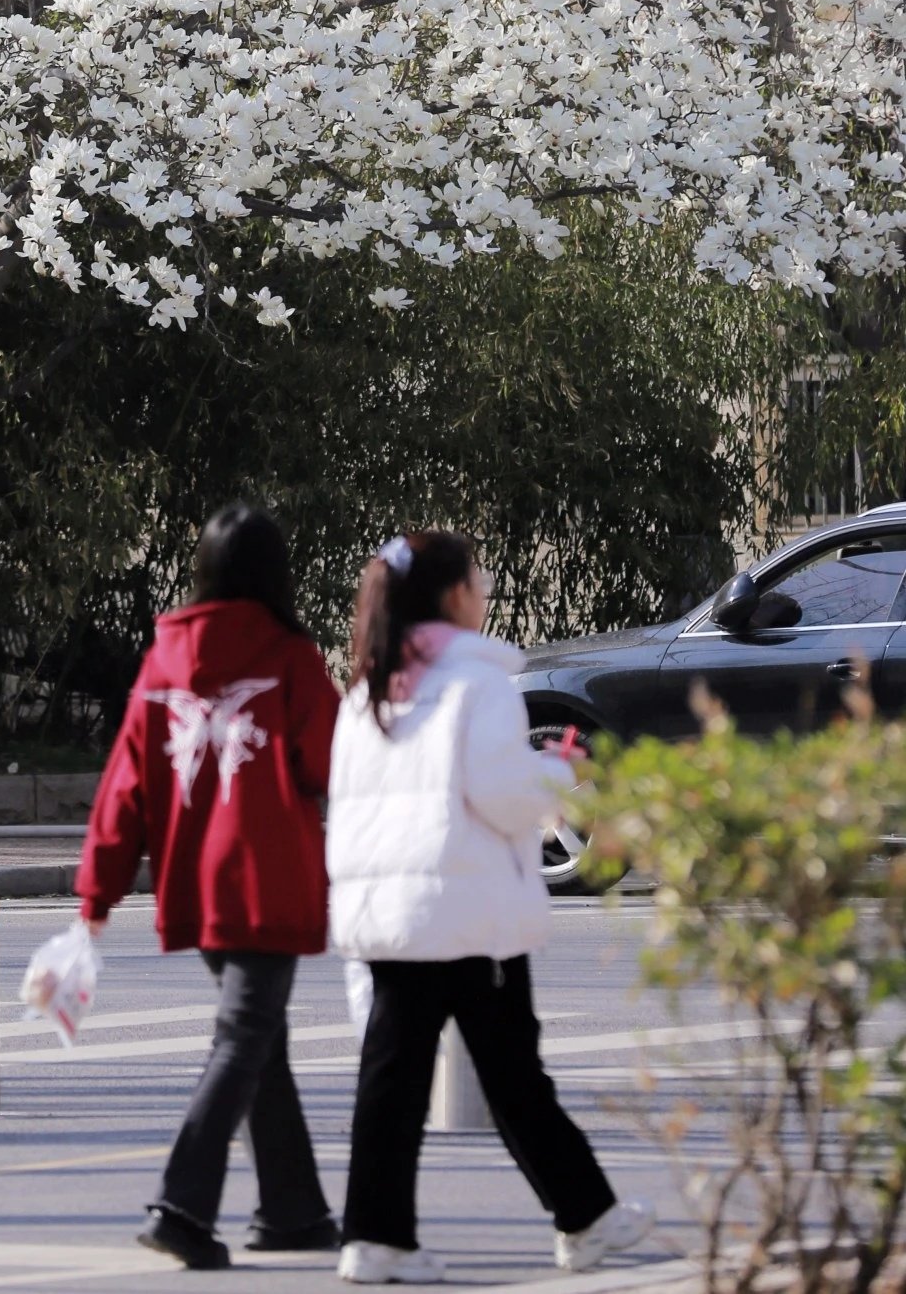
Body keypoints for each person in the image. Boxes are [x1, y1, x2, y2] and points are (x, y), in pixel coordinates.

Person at [326, 530, 653, 1287]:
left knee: (395, 1080)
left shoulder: (368, 691)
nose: (487, 590)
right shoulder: (476, 688)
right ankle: (586, 1219)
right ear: (453, 597)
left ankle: (376, 1236)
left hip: (395, 915)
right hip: (468, 913)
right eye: (479, 579)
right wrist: (559, 772)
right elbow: (505, 799)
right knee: (514, 1078)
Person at [76, 502, 343, 1270]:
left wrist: (98, 892)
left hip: (196, 884)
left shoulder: (162, 661)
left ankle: (293, 1212)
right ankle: (183, 1205)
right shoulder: (290, 656)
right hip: (268, 882)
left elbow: (123, 785)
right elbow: (331, 764)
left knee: (263, 1042)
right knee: (243, 1040)